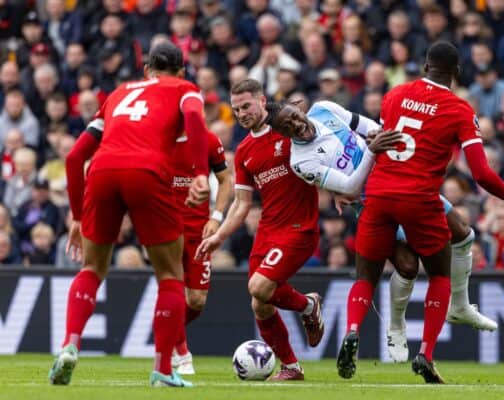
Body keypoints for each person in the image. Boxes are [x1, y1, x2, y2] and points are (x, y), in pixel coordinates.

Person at [337, 42, 504, 384]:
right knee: (440, 276)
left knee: (365, 276)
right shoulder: (459, 110)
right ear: (455, 72)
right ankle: (426, 353)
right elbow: (482, 173)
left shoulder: (394, 95)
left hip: (378, 193)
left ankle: (352, 329)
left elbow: (380, 143)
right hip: (420, 199)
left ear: (426, 66)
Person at [266, 99, 498, 365]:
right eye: (288, 126)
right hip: (371, 205)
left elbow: (370, 127)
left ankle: (460, 305)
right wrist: (370, 153)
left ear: (299, 108)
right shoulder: (300, 161)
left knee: (463, 233)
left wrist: (378, 140)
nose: (297, 125)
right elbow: (351, 188)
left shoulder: (324, 109)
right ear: (282, 135)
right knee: (408, 266)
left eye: (295, 116)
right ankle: (396, 327)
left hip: (401, 182)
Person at [48, 42, 210, 388]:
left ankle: (70, 345)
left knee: (92, 268)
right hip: (147, 172)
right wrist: (199, 172)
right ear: (181, 71)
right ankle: (163, 369)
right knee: (170, 274)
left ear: (147, 70)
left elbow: (76, 157)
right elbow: (195, 117)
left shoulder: (120, 92)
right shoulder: (185, 89)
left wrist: (77, 217)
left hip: (103, 171)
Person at [198, 79, 323, 381]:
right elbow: (241, 204)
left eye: (246, 106)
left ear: (262, 101)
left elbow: (323, 154)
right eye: (236, 108)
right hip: (268, 230)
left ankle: (308, 306)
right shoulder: (244, 151)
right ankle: (291, 367)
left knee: (259, 287)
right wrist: (219, 236)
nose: (241, 113)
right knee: (260, 303)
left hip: (299, 227)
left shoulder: (288, 130)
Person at [170, 130, 233, 375]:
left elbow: (225, 180)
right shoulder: (157, 137)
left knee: (196, 300)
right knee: (173, 290)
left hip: (199, 231)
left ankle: (167, 329)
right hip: (166, 229)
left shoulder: (207, 139)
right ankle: (183, 355)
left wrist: (216, 217)